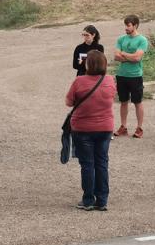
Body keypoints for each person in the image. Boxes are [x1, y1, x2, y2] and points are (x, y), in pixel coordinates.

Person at [64, 50, 116, 211]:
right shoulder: (109, 80)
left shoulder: (79, 81)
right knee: (102, 163)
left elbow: (69, 102)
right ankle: (102, 200)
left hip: (83, 128)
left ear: (88, 64)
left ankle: (88, 200)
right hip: (105, 127)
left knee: (87, 164)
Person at [113, 15, 149, 138]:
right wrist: (129, 56)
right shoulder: (121, 39)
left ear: (135, 25)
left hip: (135, 76)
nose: (126, 28)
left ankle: (139, 128)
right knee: (123, 102)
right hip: (122, 75)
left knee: (137, 102)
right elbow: (116, 56)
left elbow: (138, 57)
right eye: (125, 25)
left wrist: (123, 54)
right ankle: (123, 127)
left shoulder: (142, 40)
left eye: (128, 25)